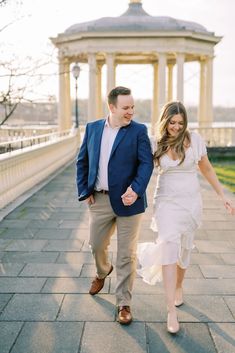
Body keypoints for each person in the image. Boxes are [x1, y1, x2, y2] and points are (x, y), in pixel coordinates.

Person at [137, 101, 235, 334]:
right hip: (166, 203)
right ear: (165, 121)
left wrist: (223, 195)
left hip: (191, 203)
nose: (177, 127)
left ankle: (179, 286)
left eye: (181, 123)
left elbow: (207, 168)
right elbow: (141, 170)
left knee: (185, 249)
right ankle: (171, 310)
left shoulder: (195, 140)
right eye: (172, 122)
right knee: (169, 246)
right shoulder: (155, 143)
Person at [76, 86, 153, 325]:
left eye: (132, 107)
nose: (131, 112)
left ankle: (124, 303)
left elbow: (146, 164)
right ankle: (102, 271)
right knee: (96, 244)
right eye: (125, 108)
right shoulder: (93, 128)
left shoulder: (139, 130)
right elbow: (82, 161)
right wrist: (84, 190)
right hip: (99, 199)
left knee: (126, 255)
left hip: (129, 201)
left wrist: (136, 189)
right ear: (111, 107)